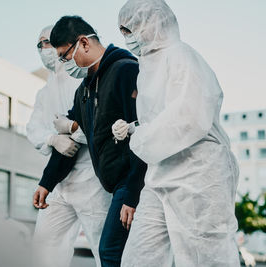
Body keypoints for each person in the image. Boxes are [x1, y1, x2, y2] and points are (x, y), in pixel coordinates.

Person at [114, 1, 240, 266]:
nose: (127, 37)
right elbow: (161, 118)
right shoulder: (146, 70)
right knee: (139, 257)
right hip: (159, 175)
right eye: (123, 31)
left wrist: (139, 137)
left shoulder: (181, 55)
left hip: (198, 175)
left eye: (130, 29)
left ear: (150, 23)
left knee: (206, 257)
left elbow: (190, 116)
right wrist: (135, 127)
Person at [48, 16, 147, 267]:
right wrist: (46, 183)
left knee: (111, 251)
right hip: (116, 187)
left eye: (64, 56)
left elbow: (144, 131)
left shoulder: (126, 70)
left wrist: (132, 194)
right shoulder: (83, 91)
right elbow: (72, 137)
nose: (64, 63)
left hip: (134, 181)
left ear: (83, 43)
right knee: (120, 254)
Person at [27, 25, 111, 267]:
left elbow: (97, 128)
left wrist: (72, 130)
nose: (44, 48)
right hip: (60, 184)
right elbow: (33, 128)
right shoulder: (44, 93)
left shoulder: (85, 80)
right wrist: (52, 139)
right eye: (40, 44)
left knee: (104, 249)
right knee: (44, 250)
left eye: (48, 42)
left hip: (92, 179)